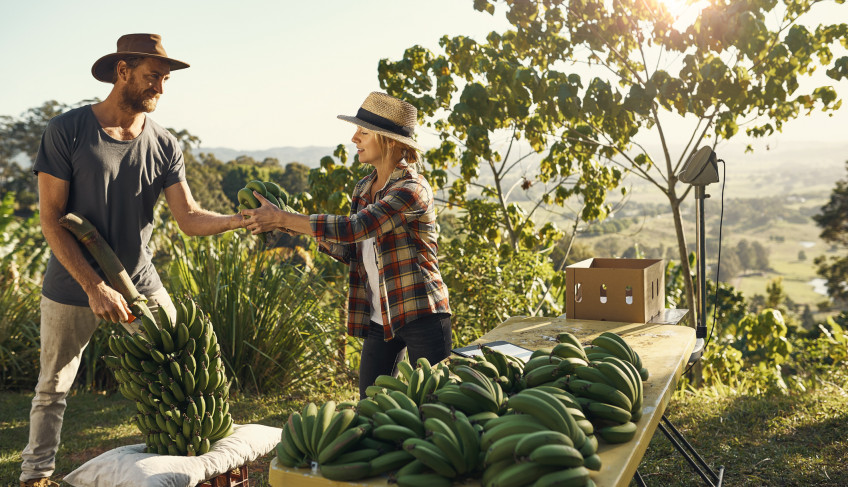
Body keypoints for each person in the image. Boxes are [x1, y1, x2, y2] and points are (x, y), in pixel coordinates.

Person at [20, 34, 245, 487]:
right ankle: (35, 475)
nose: (159, 87)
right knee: (53, 388)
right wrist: (92, 285)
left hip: (139, 281)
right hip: (72, 282)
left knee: (182, 368)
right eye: (152, 77)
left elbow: (190, 218)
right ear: (122, 71)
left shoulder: (164, 144)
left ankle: (187, 466)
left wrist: (244, 219)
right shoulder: (67, 130)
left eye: (164, 79)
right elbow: (51, 219)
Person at [243, 91, 452, 399]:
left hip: (421, 312)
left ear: (391, 141)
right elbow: (351, 248)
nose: (354, 138)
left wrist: (283, 218)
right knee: (371, 405)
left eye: (364, 132)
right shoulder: (364, 187)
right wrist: (287, 224)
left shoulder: (412, 190)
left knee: (437, 402)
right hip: (380, 317)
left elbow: (356, 228)